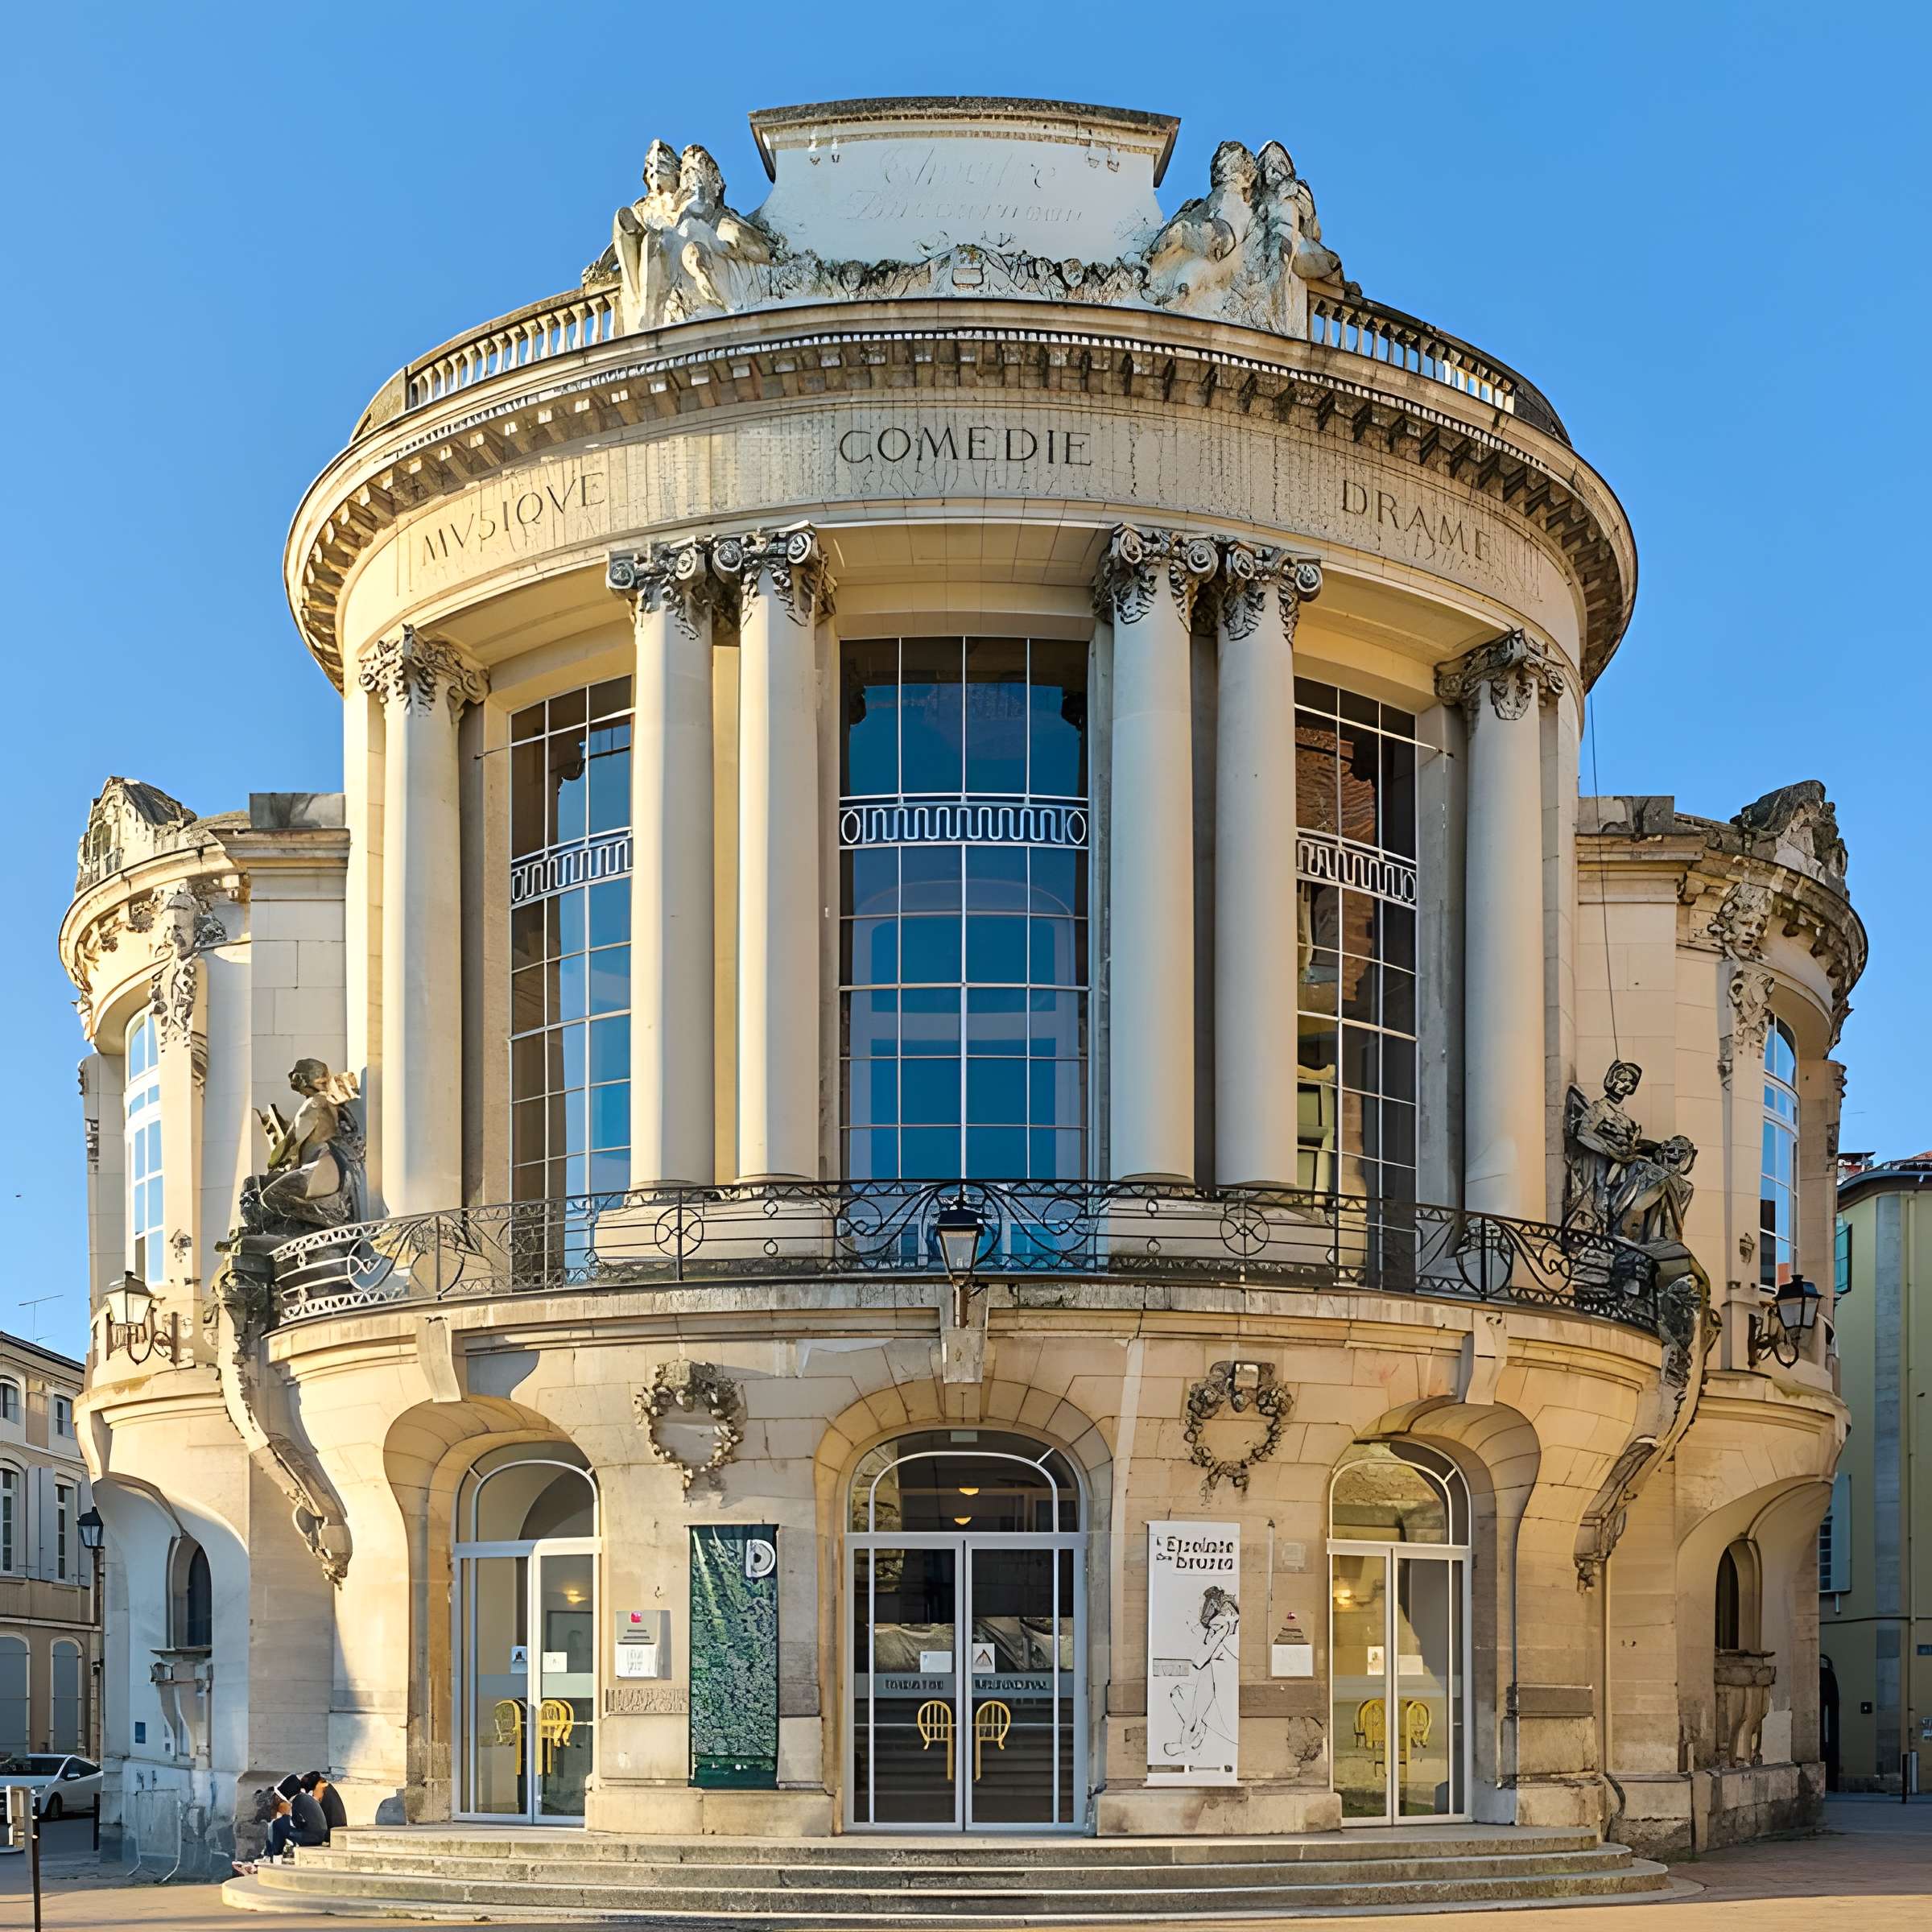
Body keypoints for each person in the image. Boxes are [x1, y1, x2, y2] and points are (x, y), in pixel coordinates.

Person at [290, 1773, 332, 1847]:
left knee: (286, 1831)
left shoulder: (297, 1799)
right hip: (322, 1835)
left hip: (314, 1838)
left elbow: (296, 1821)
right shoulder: (306, 1797)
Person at [304, 1769, 345, 1835]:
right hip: (335, 1829)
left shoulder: (321, 1788)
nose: (313, 1794)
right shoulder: (327, 1788)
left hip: (331, 1832)